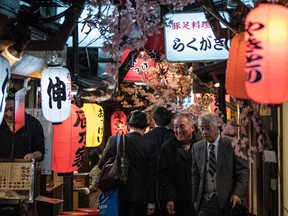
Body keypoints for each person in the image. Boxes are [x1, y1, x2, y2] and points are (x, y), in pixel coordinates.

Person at [98, 111, 157, 216]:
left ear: (128, 125)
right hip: (140, 196)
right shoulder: (149, 146)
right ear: (145, 127)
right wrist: (151, 202)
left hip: (117, 192)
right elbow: (152, 176)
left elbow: (101, 164)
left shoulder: (114, 140)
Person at [191, 112, 249, 216]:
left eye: (208, 128)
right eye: (201, 129)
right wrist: (195, 199)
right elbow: (195, 176)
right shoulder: (197, 147)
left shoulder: (232, 143)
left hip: (228, 201)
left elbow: (243, 171)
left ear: (217, 127)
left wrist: (238, 193)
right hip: (205, 202)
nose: (204, 132)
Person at [158, 112, 202, 216]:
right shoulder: (167, 147)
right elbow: (164, 175)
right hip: (177, 199)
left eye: (182, 126)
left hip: (200, 198)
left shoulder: (202, 143)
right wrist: (169, 198)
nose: (178, 131)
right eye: (175, 127)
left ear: (192, 127)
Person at [144, 106, 174, 216]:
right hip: (170, 189)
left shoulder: (145, 138)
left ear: (153, 120)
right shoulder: (173, 138)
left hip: (148, 188)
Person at [0, 88, 45, 161]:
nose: (8, 114)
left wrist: (33, 155)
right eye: (4, 110)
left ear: (21, 106)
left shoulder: (33, 124)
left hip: (23, 169)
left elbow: (40, 152)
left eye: (12, 109)